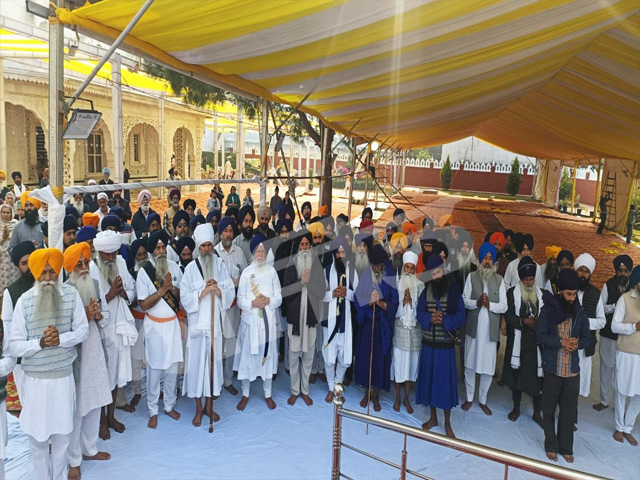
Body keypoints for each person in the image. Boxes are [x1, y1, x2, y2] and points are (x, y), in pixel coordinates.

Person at [8, 248, 88, 480]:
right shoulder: (24, 301)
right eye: (42, 272)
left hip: (63, 379)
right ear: (35, 274)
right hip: (35, 383)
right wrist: (40, 343)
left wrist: (61, 339)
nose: (48, 278)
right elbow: (14, 346)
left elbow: (83, 331)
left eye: (52, 272)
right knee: (38, 440)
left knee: (62, 438)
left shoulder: (71, 295)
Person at [63, 243, 112, 480]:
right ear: (70, 268)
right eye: (78, 265)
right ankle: (74, 460)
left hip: (95, 350)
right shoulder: (64, 291)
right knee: (77, 408)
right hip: (76, 356)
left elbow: (106, 317)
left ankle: (90, 449)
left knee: (95, 401)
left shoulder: (94, 284)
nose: (83, 268)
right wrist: (86, 314)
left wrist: (98, 314)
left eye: (85, 263)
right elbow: (63, 327)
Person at [181, 224, 234, 426]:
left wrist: (219, 290)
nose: (206, 249)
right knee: (196, 368)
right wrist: (201, 292)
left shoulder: (220, 265)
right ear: (198, 247)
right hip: (196, 328)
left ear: (212, 246)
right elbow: (185, 297)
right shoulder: (190, 269)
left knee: (213, 367)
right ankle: (198, 409)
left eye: (208, 246)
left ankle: (209, 407)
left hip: (214, 328)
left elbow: (230, 291)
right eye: (202, 246)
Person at [537, 269, 590, 463]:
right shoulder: (547, 310)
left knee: (568, 413)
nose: (571, 298)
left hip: (572, 372)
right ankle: (551, 445)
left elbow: (588, 338)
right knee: (548, 410)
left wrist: (577, 343)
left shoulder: (580, 312)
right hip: (553, 369)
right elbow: (540, 336)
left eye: (574, 294)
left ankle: (566, 447)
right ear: (560, 291)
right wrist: (561, 342)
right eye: (568, 294)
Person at [91, 230, 137, 437]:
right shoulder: (92, 268)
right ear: (99, 252)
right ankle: (101, 421)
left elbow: (132, 289)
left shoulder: (121, 262)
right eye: (106, 254)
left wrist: (123, 293)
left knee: (116, 375)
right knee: (103, 377)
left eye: (113, 253)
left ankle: (111, 416)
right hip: (101, 330)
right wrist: (109, 295)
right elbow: (90, 303)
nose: (110, 258)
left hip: (120, 326)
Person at [136, 231, 183, 429]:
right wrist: (162, 290)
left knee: (172, 368)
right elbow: (144, 304)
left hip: (172, 325)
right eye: (157, 248)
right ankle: (153, 410)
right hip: (154, 326)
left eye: (164, 247)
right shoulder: (144, 272)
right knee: (154, 370)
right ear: (152, 251)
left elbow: (181, 296)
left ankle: (169, 405)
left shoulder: (174, 267)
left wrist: (172, 290)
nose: (162, 251)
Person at [416, 254, 466, 438]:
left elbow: (461, 315)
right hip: (429, 345)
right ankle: (433, 418)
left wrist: (444, 320)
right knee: (430, 383)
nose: (436, 276)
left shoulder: (453, 291)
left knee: (444, 385)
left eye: (438, 272)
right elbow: (419, 312)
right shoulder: (426, 291)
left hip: (445, 347)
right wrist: (430, 317)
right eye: (432, 273)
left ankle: (447, 422)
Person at [235, 235, 282, 411]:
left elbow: (279, 297)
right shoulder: (246, 273)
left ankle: (268, 394)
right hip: (250, 324)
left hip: (267, 325)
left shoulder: (272, 272)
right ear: (253, 253)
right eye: (258, 251)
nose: (260, 254)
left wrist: (269, 300)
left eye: (263, 251)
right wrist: (253, 303)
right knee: (247, 360)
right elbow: (240, 299)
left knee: (267, 358)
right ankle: (245, 394)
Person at [461, 243, 507, 415]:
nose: (487, 261)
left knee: (488, 368)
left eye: (490, 258)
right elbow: (464, 300)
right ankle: (469, 398)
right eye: (485, 258)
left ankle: (483, 400)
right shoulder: (471, 277)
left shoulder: (499, 280)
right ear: (480, 260)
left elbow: (504, 306)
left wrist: (490, 305)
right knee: (470, 365)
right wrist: (477, 303)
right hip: (473, 330)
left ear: (494, 261)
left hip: (490, 333)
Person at [281, 230, 325, 406]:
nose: (305, 248)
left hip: (310, 318)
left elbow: (321, 292)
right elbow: (285, 292)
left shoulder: (316, 264)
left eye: (307, 244)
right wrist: (301, 283)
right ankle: (294, 390)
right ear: (298, 247)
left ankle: (305, 390)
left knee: (308, 356)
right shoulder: (291, 264)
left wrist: (309, 282)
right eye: (302, 245)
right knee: (293, 356)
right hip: (295, 318)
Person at [354, 244, 399, 413]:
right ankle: (367, 392)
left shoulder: (390, 276)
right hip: (368, 322)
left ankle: (376, 395)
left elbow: (395, 301)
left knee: (379, 359)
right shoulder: (366, 275)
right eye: (374, 266)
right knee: (367, 357)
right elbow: (358, 298)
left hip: (382, 325)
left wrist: (379, 303)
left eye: (379, 266)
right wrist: (369, 301)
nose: (376, 269)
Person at [502, 256, 544, 427]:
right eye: (525, 279)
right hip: (518, 343)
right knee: (516, 375)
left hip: (536, 345)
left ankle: (537, 412)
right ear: (520, 279)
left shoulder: (542, 295)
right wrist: (525, 321)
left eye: (531, 279)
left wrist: (539, 323)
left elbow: (548, 316)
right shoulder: (512, 293)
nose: (528, 283)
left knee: (538, 378)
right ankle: (516, 407)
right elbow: (509, 316)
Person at [594, 254, 633, 412]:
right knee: (606, 367)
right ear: (616, 271)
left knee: (622, 372)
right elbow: (601, 309)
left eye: (626, 271)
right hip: (608, 335)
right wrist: (616, 306)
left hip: (626, 337)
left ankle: (618, 404)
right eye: (620, 270)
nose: (623, 273)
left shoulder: (634, 288)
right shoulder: (608, 285)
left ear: (630, 272)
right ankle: (604, 400)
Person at [322, 238, 358, 403]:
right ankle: (331, 388)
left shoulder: (352, 272)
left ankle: (338, 383)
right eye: (338, 252)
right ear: (334, 253)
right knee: (329, 357)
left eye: (343, 252)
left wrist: (347, 293)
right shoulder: (327, 270)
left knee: (344, 358)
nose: (341, 255)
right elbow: (320, 294)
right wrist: (333, 294)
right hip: (330, 321)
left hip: (345, 321)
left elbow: (358, 295)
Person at [214, 217, 247, 395]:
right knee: (218, 344)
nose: (228, 234)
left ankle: (228, 380)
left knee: (231, 343)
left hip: (233, 307)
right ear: (220, 233)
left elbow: (246, 276)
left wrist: (238, 282)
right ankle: (216, 382)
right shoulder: (213, 253)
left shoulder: (239, 252)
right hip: (218, 307)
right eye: (225, 231)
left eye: (230, 231)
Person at [611, 265, 640, 446]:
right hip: (626, 352)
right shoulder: (625, 299)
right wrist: (634, 327)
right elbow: (614, 326)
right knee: (621, 390)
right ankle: (619, 427)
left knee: (639, 394)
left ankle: (628, 428)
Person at [391, 251, 422, 413]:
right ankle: (397, 398)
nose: (409, 271)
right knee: (399, 365)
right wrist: (404, 303)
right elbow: (393, 312)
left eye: (412, 268)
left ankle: (406, 399)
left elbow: (421, 312)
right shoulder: (397, 285)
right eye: (407, 268)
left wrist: (412, 302)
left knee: (411, 367)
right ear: (403, 268)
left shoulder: (420, 286)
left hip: (414, 333)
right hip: (400, 330)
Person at [573, 253, 605, 399]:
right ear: (576, 270)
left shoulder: (596, 294)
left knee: (581, 379)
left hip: (586, 345)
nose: (583, 275)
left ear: (590, 274)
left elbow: (602, 321)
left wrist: (584, 323)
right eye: (580, 270)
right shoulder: (568, 289)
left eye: (586, 272)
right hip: (568, 342)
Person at [127, 239, 148, 408]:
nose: (142, 258)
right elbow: (129, 301)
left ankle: (159, 388)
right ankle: (137, 391)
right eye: (139, 255)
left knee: (155, 355)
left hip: (153, 319)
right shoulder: (130, 275)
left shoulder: (153, 270)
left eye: (144, 254)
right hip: (136, 320)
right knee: (136, 358)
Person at [0, 204, 20, 310]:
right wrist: (3, 237)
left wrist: (8, 236)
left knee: (13, 289)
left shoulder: (17, 225)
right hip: (1, 261)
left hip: (12, 261)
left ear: (12, 213)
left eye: (8, 212)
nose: (6, 215)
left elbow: (18, 240)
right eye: (3, 212)